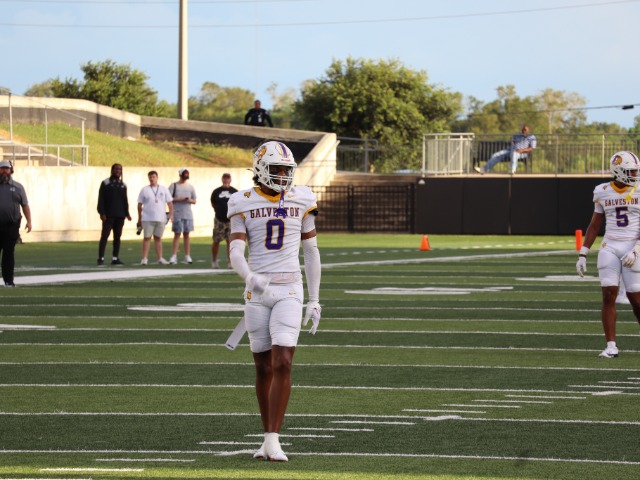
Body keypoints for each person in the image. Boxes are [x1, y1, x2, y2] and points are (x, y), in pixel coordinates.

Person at [227, 141, 321, 462]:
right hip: (257, 294)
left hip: (290, 290)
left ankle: (274, 439)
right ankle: (266, 438)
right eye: (276, 169)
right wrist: (248, 276)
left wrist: (315, 299)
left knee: (283, 361)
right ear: (260, 169)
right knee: (263, 366)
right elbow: (235, 251)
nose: (283, 175)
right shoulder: (241, 201)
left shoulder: (302, 198)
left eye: (286, 170)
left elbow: (311, 251)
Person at [576, 150, 640, 358]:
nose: (635, 174)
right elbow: (595, 224)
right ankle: (611, 346)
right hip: (610, 245)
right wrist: (583, 252)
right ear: (619, 171)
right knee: (608, 295)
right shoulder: (602, 191)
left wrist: (636, 249)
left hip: (634, 245)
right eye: (631, 171)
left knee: (635, 298)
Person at [0, 160, 32, 287]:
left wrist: (29, 221)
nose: (4, 171)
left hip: (11, 225)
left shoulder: (18, 187)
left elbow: (25, 205)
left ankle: (8, 280)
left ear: (11, 170)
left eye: (6, 169)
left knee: (8, 253)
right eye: (2, 168)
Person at [97, 163, 131, 266]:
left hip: (120, 216)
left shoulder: (123, 185)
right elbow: (101, 199)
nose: (118, 171)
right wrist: (102, 212)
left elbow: (125, 200)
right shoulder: (106, 183)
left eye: (119, 169)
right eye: (116, 169)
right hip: (108, 215)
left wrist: (127, 213)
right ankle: (101, 258)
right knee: (104, 237)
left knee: (117, 237)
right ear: (112, 170)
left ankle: (115, 258)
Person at [136, 170, 173, 265]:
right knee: (147, 237)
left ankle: (160, 258)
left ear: (157, 178)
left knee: (158, 238)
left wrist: (171, 215)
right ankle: (144, 258)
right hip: (147, 218)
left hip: (160, 218)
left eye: (153, 177)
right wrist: (139, 218)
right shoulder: (145, 190)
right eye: (150, 177)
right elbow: (139, 204)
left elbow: (170, 203)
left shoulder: (164, 189)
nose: (152, 179)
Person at [168, 168, 196, 265]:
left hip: (187, 214)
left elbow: (194, 200)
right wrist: (179, 199)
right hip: (177, 213)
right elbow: (168, 199)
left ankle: (187, 255)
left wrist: (189, 200)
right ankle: (174, 255)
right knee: (177, 234)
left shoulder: (190, 187)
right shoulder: (173, 186)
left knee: (187, 234)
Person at [210, 173, 238, 269]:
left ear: (230, 180)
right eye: (224, 178)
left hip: (230, 220)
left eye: (227, 178)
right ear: (222, 179)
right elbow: (213, 203)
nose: (226, 180)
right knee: (216, 240)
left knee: (230, 241)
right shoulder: (216, 192)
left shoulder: (235, 192)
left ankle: (230, 262)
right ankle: (214, 261)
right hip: (219, 220)